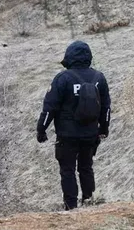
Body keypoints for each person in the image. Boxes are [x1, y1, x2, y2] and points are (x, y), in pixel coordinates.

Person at [37, 41, 111, 210]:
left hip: (67, 136)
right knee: (86, 167)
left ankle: (71, 207)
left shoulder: (63, 78)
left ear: (69, 57)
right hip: (90, 134)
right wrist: (104, 129)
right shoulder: (99, 78)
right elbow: (106, 108)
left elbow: (50, 108)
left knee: (67, 170)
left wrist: (41, 130)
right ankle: (89, 201)